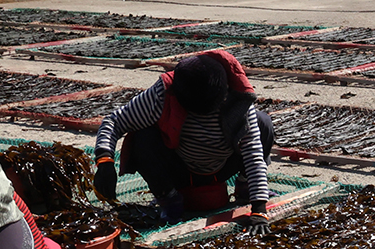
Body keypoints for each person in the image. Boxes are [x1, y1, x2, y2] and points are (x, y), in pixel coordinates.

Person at [92, 50, 275, 230]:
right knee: (141, 136)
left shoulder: (239, 100)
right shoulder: (164, 93)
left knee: (263, 123)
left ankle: (244, 187)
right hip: (180, 169)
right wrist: (105, 161)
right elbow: (114, 122)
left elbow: (253, 154)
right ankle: (169, 199)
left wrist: (259, 208)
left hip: (223, 166)